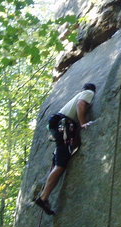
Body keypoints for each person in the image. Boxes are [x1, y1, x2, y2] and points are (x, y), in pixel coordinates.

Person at [33, 83, 96, 215]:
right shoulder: (88, 93)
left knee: (60, 161)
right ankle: (43, 197)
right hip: (63, 123)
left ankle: (44, 197)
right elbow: (81, 104)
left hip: (58, 124)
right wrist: (83, 123)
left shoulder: (70, 102)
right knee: (60, 165)